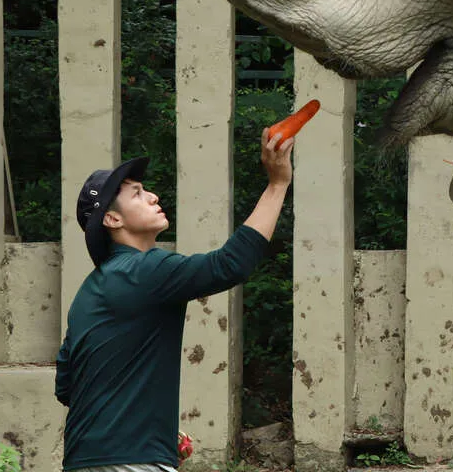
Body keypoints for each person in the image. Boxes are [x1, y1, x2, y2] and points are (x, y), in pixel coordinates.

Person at [55, 129, 293, 472]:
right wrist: (277, 184)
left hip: (84, 460)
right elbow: (230, 264)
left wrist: (149, 427)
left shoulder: (90, 291)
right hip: (132, 463)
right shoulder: (144, 270)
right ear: (112, 219)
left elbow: (67, 386)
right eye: (137, 194)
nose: (152, 196)